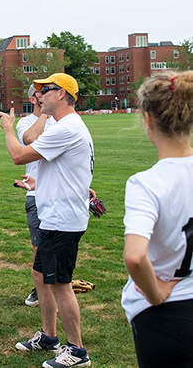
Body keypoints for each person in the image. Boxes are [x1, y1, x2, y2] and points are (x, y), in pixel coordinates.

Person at [0, 73, 93, 367]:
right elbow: (66, 173)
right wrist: (38, 186)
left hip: (62, 220)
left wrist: (7, 129)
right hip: (53, 215)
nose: (39, 94)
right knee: (41, 277)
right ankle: (49, 337)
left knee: (61, 284)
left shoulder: (66, 128)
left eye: (46, 89)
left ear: (62, 94)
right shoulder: (65, 126)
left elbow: (19, 155)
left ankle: (77, 352)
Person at [122, 71, 193, 367]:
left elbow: (136, 257)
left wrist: (156, 294)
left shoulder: (146, 183)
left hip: (164, 317)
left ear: (148, 120)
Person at [14, 84, 56, 307]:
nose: (45, 97)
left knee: (58, 244)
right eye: (41, 94)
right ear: (33, 99)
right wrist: (45, 113)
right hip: (35, 193)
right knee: (39, 247)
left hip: (59, 193)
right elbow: (30, 140)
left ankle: (57, 286)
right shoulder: (26, 122)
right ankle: (41, 288)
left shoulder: (60, 122)